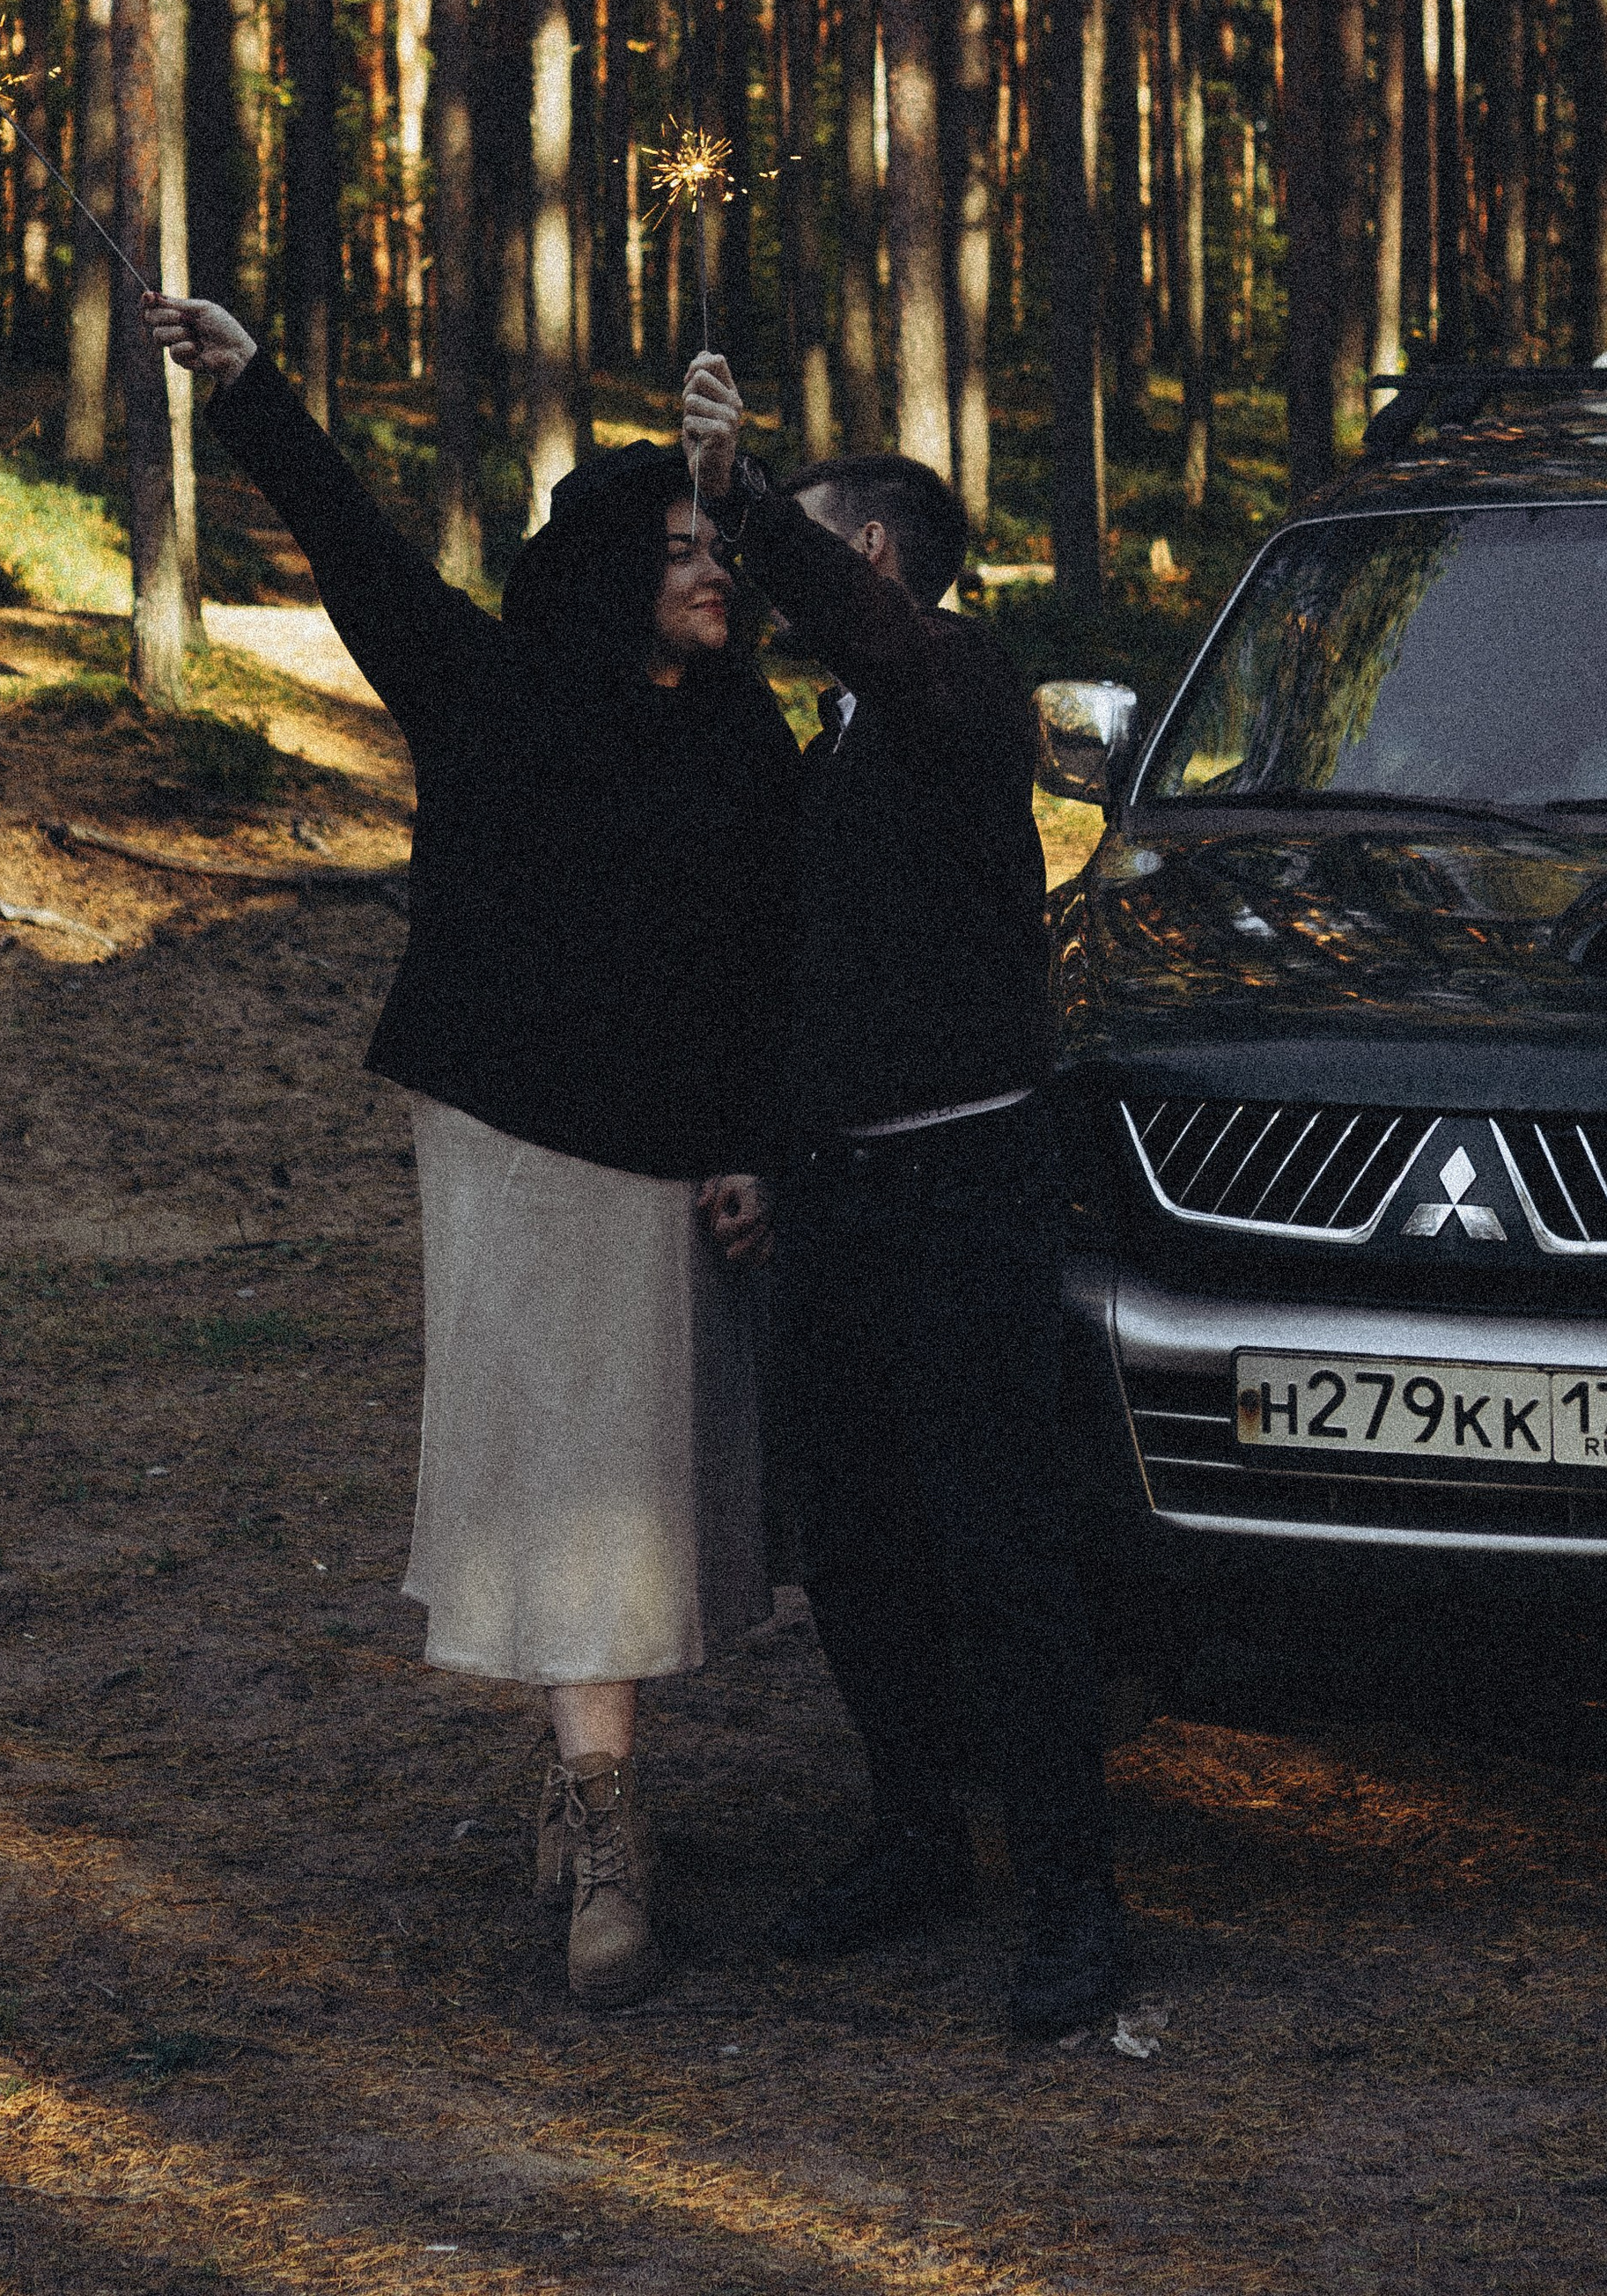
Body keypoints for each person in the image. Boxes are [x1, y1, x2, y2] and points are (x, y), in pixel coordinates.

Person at [145, 294, 799, 2010]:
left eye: (712, 548)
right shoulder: (494, 695)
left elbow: (757, 969)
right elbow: (354, 552)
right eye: (676, 550)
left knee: (650, 1498)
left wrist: (748, 1147)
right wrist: (252, 386)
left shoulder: (741, 741)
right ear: (603, 572)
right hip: (515, 1144)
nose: (707, 574)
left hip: (676, 1160)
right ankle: (605, 1828)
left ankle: (582, 1774)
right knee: (571, 1478)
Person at [680, 349, 1127, 2039]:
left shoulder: (958, 687)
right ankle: (915, 1839)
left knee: (1000, 1544)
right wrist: (758, 1149)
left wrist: (742, 491)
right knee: (854, 1540)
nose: (758, 561)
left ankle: (1074, 1901)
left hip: (971, 1186)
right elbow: (786, 972)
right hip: (834, 1200)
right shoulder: (830, 746)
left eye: (798, 538)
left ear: (870, 557)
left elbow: (872, 632)